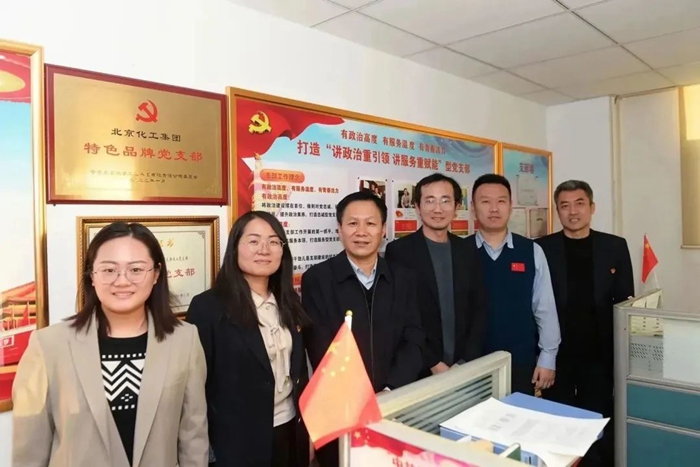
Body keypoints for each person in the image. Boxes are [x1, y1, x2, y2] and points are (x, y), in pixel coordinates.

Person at [12, 222, 208, 467]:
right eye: (109, 270)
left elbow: (193, 436)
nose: (122, 281)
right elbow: (29, 451)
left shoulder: (185, 340)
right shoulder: (49, 346)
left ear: (156, 274)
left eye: (136, 269)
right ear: (91, 276)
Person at [301, 190, 425, 467]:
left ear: (383, 229)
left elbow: (414, 338)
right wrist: (358, 399)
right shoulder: (318, 279)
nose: (361, 232)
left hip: (395, 404)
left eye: (370, 223)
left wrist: (391, 391)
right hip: (340, 409)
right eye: (352, 223)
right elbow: (319, 345)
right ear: (340, 229)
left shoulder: (404, 278)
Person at [186, 211, 311, 467]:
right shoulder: (208, 307)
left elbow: (299, 373)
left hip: (289, 430)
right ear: (235, 248)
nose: (264, 249)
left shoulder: (290, 302)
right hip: (235, 443)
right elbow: (195, 386)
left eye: (273, 241)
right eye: (253, 241)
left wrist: (307, 431)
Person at [537, 180, 633, 467]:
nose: (573, 212)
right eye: (564, 206)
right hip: (558, 356)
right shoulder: (542, 248)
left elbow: (625, 305)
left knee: (598, 425)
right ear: (557, 211)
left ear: (592, 207)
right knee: (558, 425)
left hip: (600, 356)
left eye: (579, 204)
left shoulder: (614, 246)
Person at [385, 173, 487, 376]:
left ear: (457, 207)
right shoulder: (399, 251)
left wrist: (465, 360)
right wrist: (433, 362)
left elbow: (479, 309)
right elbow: (400, 316)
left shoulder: (467, 250)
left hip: (464, 366)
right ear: (417, 207)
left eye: (445, 201)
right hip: (420, 368)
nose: (438, 209)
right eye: (430, 200)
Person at [467, 174, 560, 396]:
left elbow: (545, 308)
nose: (494, 209)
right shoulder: (460, 252)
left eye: (501, 201)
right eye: (485, 201)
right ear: (473, 208)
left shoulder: (531, 251)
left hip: (521, 361)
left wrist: (548, 357)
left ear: (510, 206)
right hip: (470, 364)